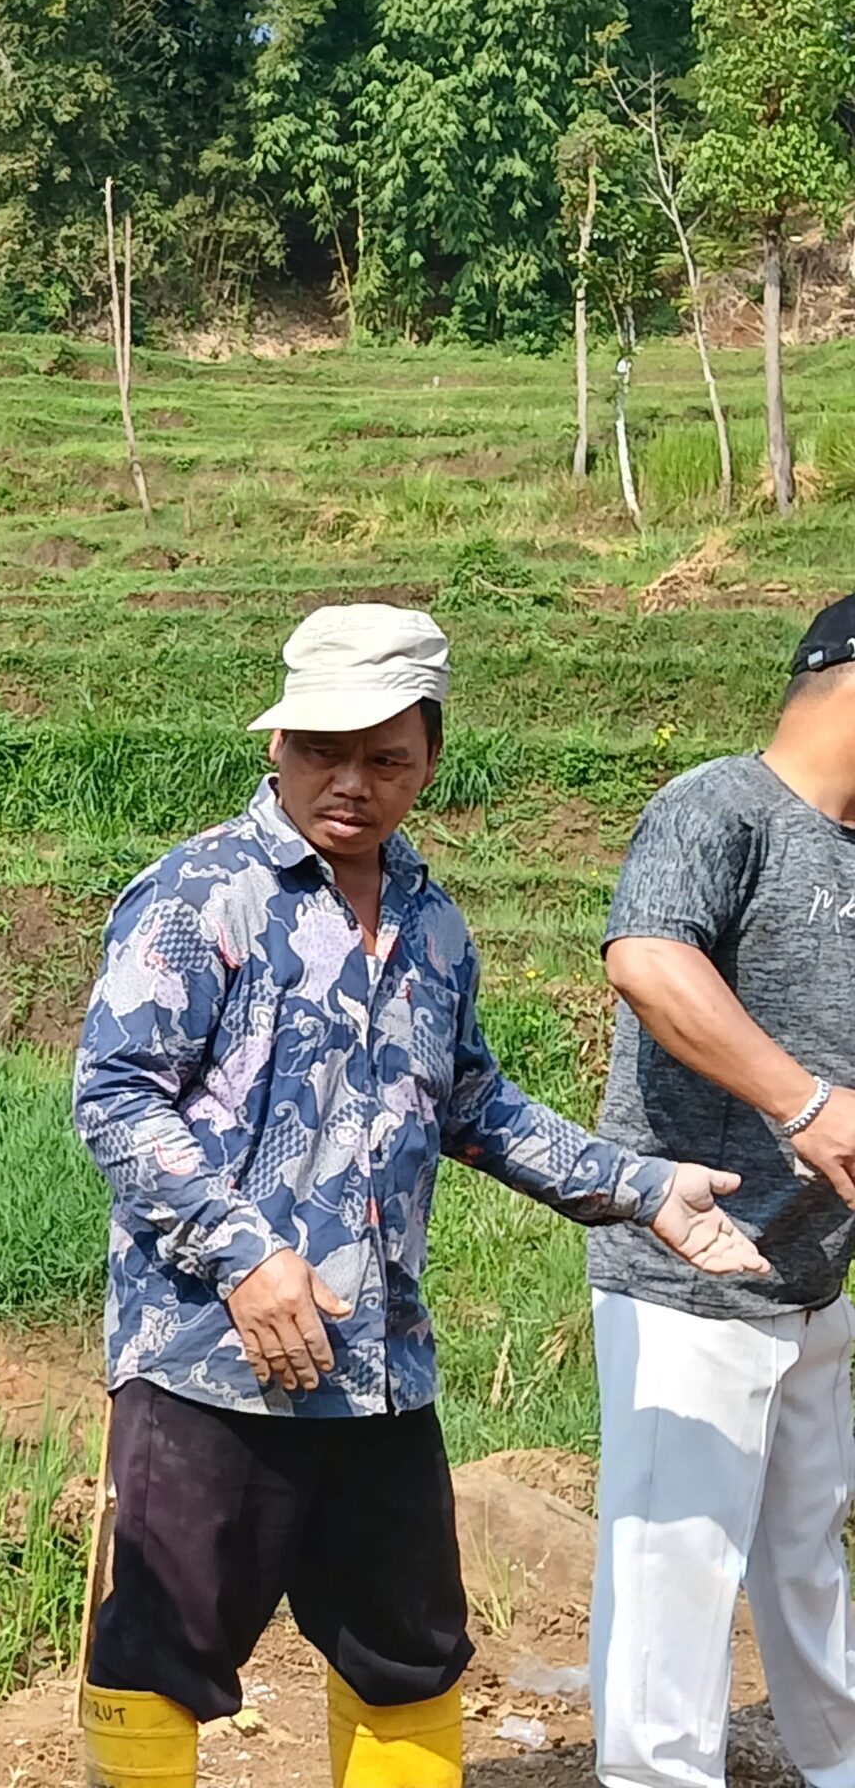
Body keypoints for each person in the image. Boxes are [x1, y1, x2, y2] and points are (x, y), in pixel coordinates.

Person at [72, 603, 767, 1788]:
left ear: (430, 760)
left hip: (377, 1363)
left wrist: (640, 1190)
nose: (351, 782)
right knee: (159, 1654)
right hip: (207, 1359)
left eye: (387, 757)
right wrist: (242, 1253)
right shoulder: (200, 896)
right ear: (275, 745)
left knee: (408, 1651)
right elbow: (115, 1099)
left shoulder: (431, 921)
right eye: (322, 751)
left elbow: (472, 1105)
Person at [587, 595, 855, 1788]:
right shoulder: (716, 805)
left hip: (813, 1274)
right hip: (686, 1275)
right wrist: (805, 1105)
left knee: (803, 1558)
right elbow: (648, 960)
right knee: (674, 1572)